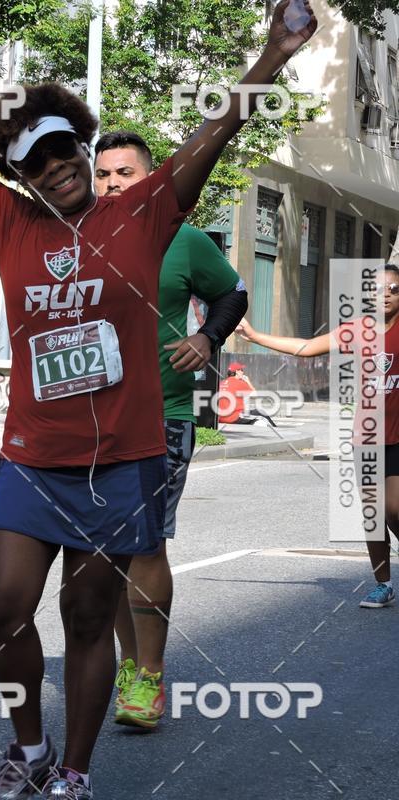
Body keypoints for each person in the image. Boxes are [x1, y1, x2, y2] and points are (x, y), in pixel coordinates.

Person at [0, 2, 317, 797]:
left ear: (79, 143)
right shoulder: (6, 222)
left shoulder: (142, 211)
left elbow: (216, 133)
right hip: (32, 461)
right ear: (20, 175)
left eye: (65, 151)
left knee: (87, 618)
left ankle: (73, 770)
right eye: (38, 163)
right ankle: (27, 747)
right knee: (5, 609)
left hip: (118, 463)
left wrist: (274, 51)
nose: (59, 168)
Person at [94, 131, 247, 730]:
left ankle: (148, 676)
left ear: (152, 179)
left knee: (145, 541)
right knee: (103, 549)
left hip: (163, 412)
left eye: (125, 173)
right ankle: (129, 665)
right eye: (103, 173)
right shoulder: (77, 236)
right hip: (90, 417)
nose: (112, 184)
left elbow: (231, 292)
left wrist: (207, 336)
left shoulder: (181, 240)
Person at [236, 263, 399, 609]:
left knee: (394, 509)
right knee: (372, 516)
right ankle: (383, 584)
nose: (385, 294)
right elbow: (307, 347)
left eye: (393, 289)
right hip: (367, 438)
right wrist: (255, 336)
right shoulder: (359, 330)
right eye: (379, 288)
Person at [217, 362, 277, 426]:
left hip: (220, 418)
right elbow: (255, 395)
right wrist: (248, 381)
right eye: (242, 370)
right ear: (237, 371)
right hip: (233, 417)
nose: (243, 372)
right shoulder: (239, 383)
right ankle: (275, 428)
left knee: (254, 418)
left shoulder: (222, 383)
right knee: (261, 413)